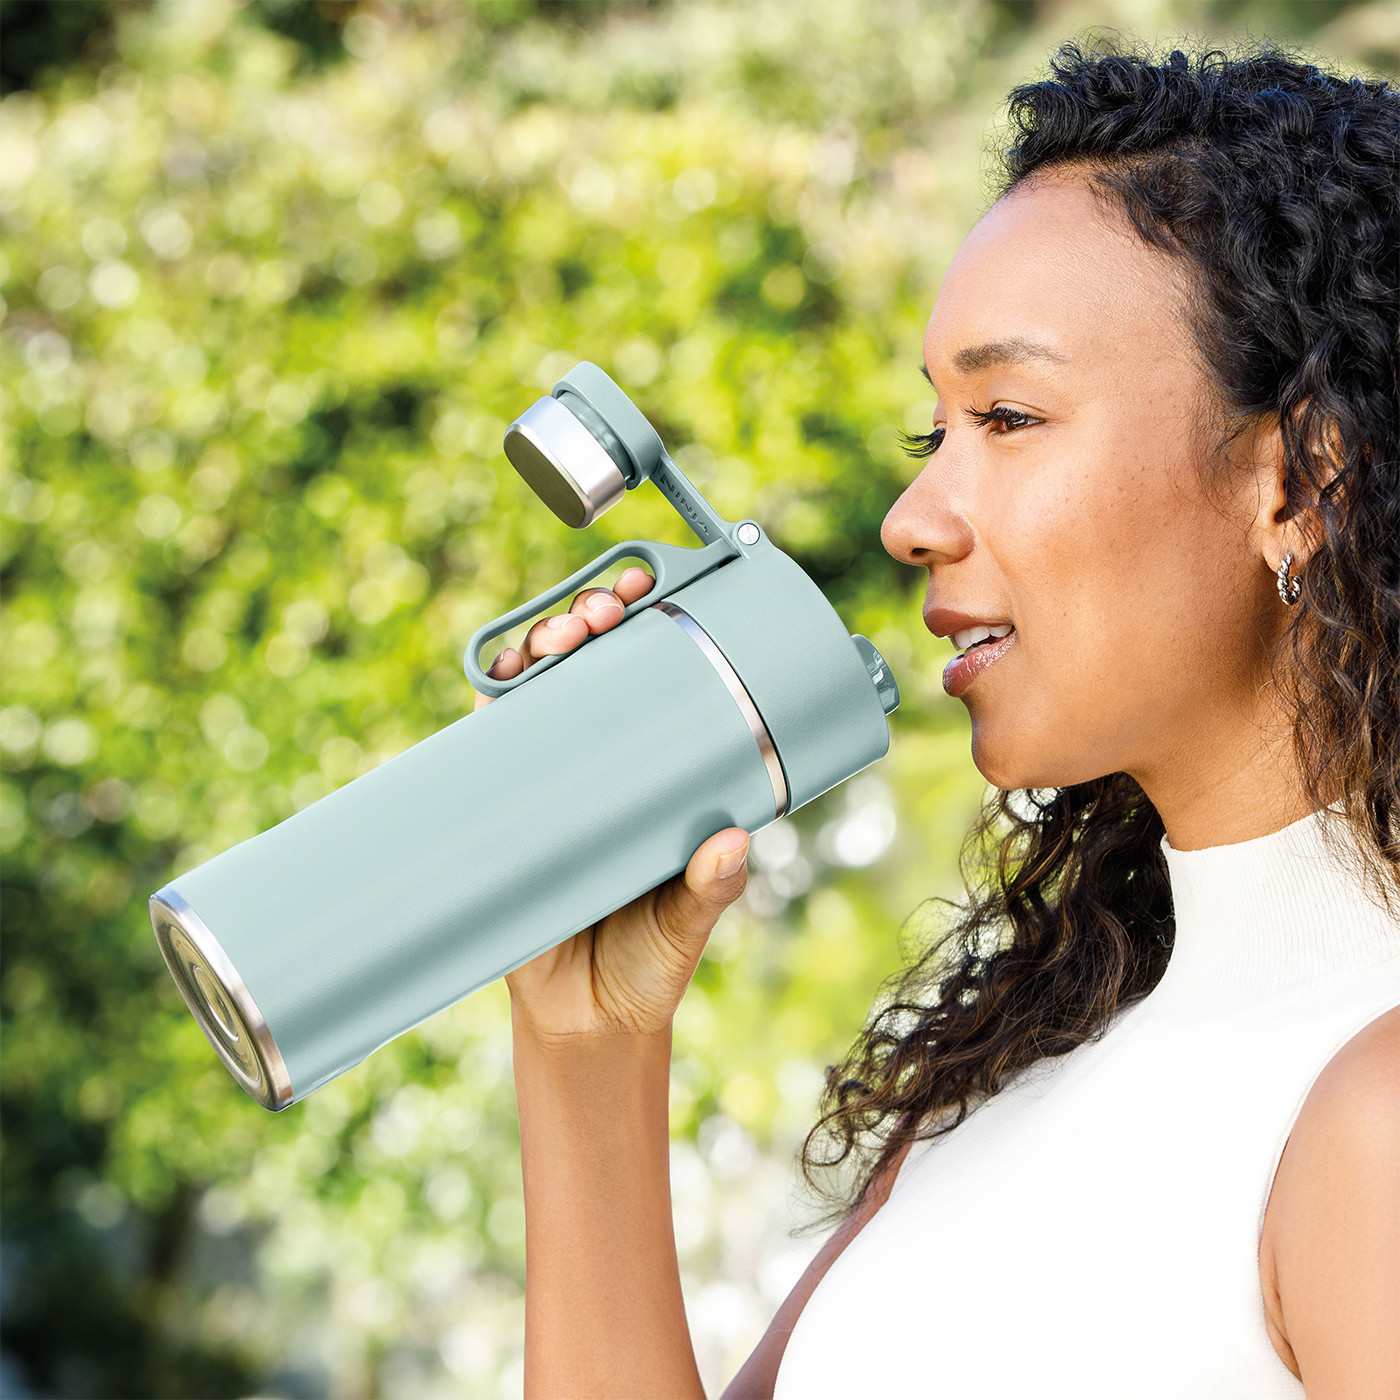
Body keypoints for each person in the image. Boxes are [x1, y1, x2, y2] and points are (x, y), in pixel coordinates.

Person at [471, 36, 1400, 1399]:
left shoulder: (1371, 1119)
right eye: (934, 434)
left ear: (1298, 484)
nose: (915, 520)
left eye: (1010, 416)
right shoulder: (992, 1105)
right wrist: (587, 1046)